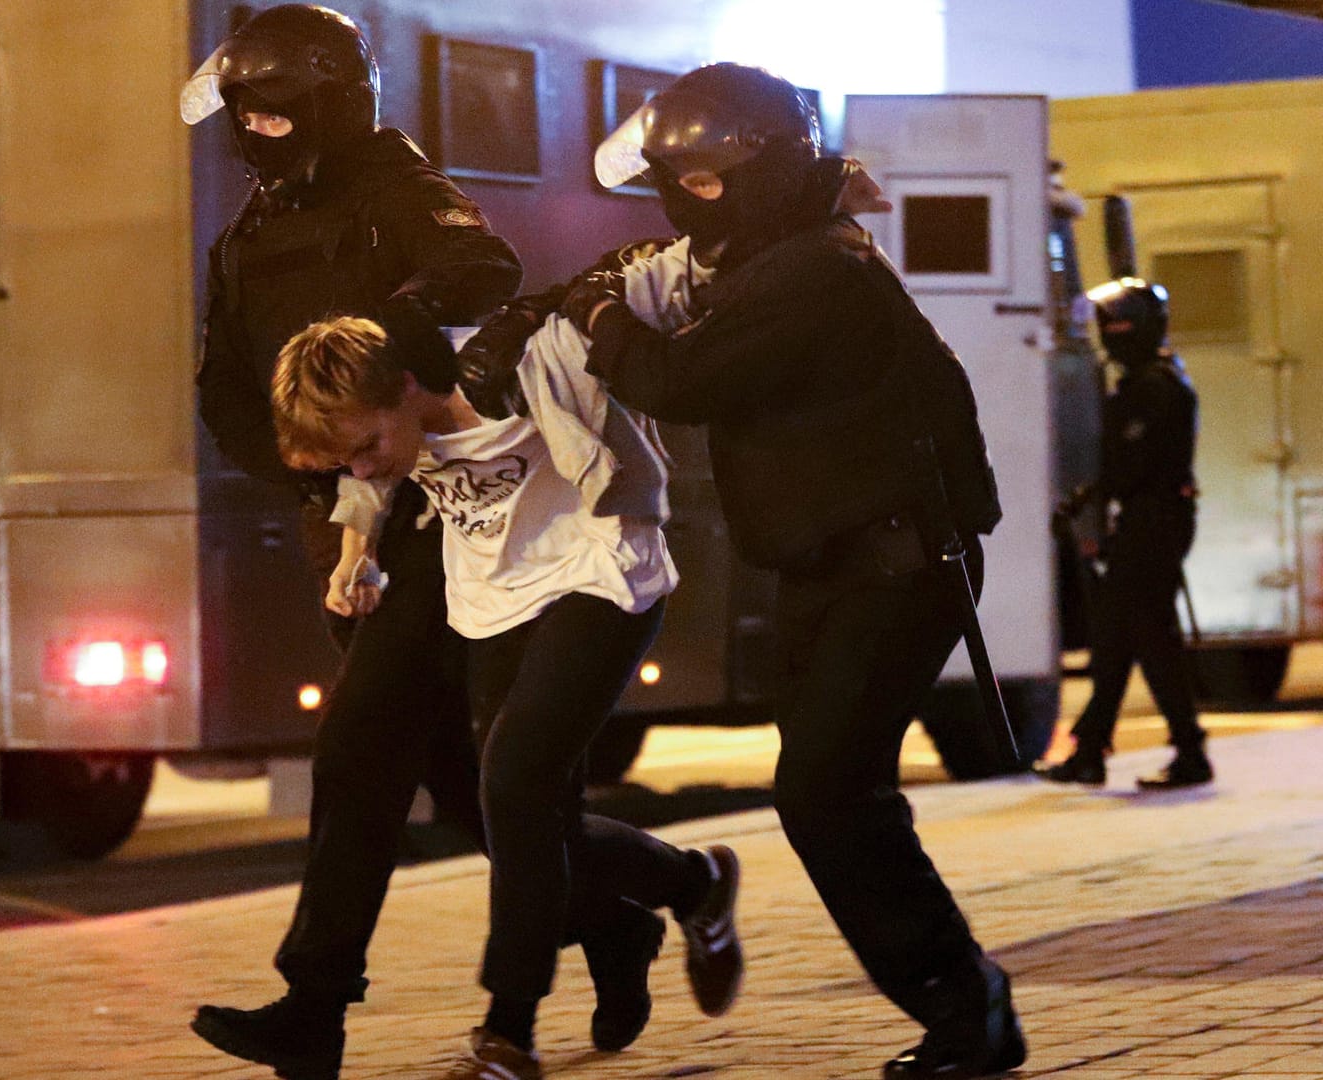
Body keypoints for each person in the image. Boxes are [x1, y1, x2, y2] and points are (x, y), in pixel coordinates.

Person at [466, 63, 1026, 1079]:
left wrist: (597, 322)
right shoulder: (763, 256)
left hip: (892, 566)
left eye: (709, 177)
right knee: (823, 795)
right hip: (835, 567)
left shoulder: (813, 269)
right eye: (676, 178)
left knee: (825, 793)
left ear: (762, 165)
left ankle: (967, 1006)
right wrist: (554, 307)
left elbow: (679, 378)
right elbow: (647, 280)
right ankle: (964, 1004)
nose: (688, 197)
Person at [179, 9, 677, 1077]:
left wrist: (386, 373)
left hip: (434, 507)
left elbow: (478, 269)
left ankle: (315, 1009)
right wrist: (319, 472)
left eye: (279, 110)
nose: (261, 131)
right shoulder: (248, 232)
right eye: (246, 114)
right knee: (471, 794)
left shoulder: (395, 188)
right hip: (351, 507)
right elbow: (222, 383)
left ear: (330, 101)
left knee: (363, 750)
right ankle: (625, 915)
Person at [271, 281, 741, 1079]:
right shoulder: (388, 431)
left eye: (368, 443)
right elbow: (368, 481)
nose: (362, 464)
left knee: (518, 781)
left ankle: (508, 1032)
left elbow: (643, 284)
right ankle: (693, 882)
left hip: (600, 580)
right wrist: (357, 556)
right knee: (529, 821)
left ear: (408, 388)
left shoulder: (522, 371)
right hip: (495, 604)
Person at [1038, 278, 1209, 790]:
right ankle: (1090, 752)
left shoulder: (1152, 388)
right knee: (1115, 639)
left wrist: (1086, 500)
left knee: (1151, 639)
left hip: (1152, 522)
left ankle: (1189, 751)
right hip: (1149, 520)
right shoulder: (1152, 381)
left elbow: (1132, 464)